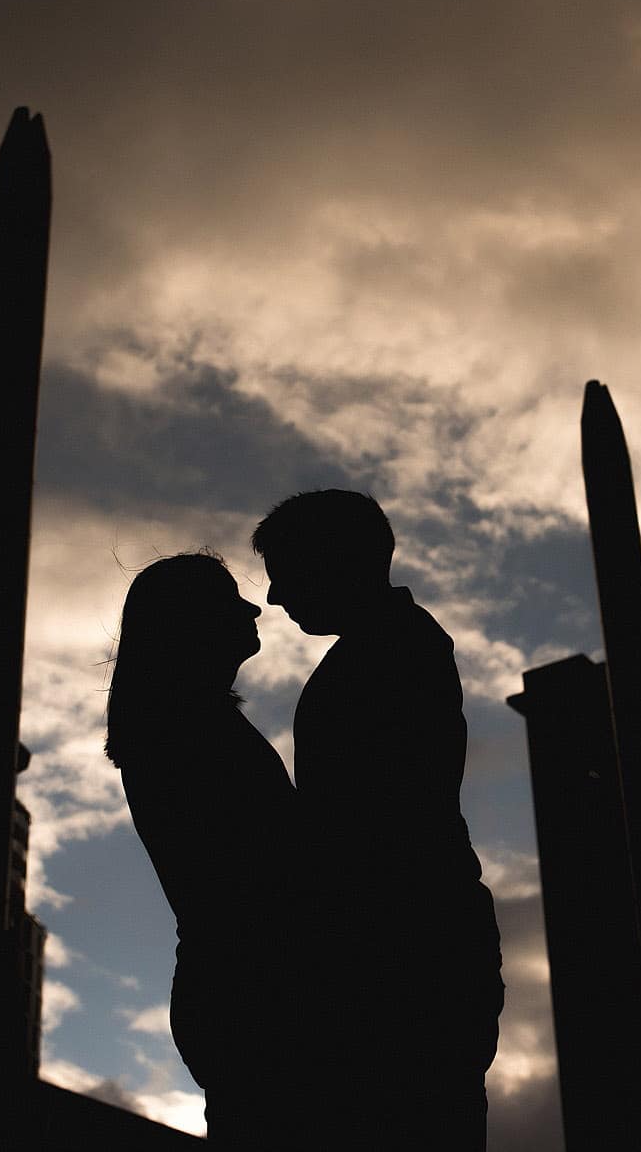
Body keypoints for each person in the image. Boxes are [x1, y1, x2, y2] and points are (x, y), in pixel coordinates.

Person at [253, 490, 504, 1149]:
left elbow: (367, 825)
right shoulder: (389, 647)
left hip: (401, 964)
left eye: (285, 571)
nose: (275, 597)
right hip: (408, 955)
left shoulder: (388, 653)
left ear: (332, 561)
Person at [105, 551, 306, 1147]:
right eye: (228, 599)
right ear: (190, 623)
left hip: (236, 988)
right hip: (251, 990)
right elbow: (265, 870)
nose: (252, 607)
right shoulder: (187, 732)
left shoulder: (188, 725)